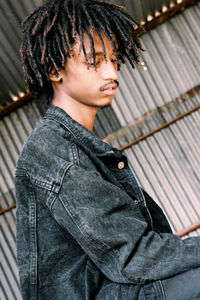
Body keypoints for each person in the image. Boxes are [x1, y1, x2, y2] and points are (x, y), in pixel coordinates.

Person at [15, 0, 200, 299]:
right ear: (54, 71)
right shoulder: (50, 150)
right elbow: (133, 257)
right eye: (95, 60)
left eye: (114, 60)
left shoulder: (74, 144)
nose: (111, 72)